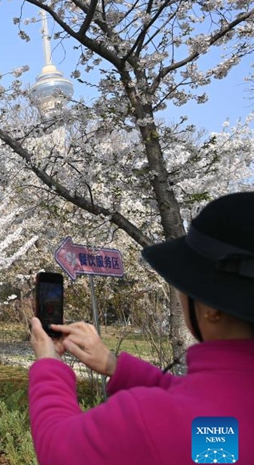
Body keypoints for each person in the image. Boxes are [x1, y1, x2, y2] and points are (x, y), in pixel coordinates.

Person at [28, 192, 254, 465]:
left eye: (185, 283)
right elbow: (206, 413)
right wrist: (115, 366)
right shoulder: (220, 429)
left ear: (211, 307)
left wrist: (49, 366)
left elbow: (57, 449)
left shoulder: (150, 420)